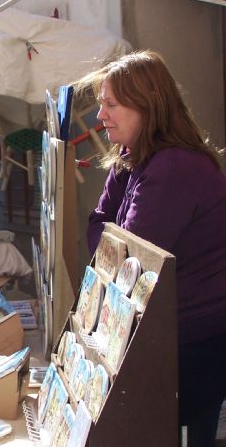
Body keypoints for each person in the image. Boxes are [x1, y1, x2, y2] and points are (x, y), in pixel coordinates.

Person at [79, 50, 226, 446]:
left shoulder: (175, 167)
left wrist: (107, 240)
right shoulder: (134, 157)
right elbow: (99, 229)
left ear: (147, 106)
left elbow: (124, 263)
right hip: (174, 337)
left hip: (192, 345)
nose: (100, 115)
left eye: (111, 104)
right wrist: (108, 239)